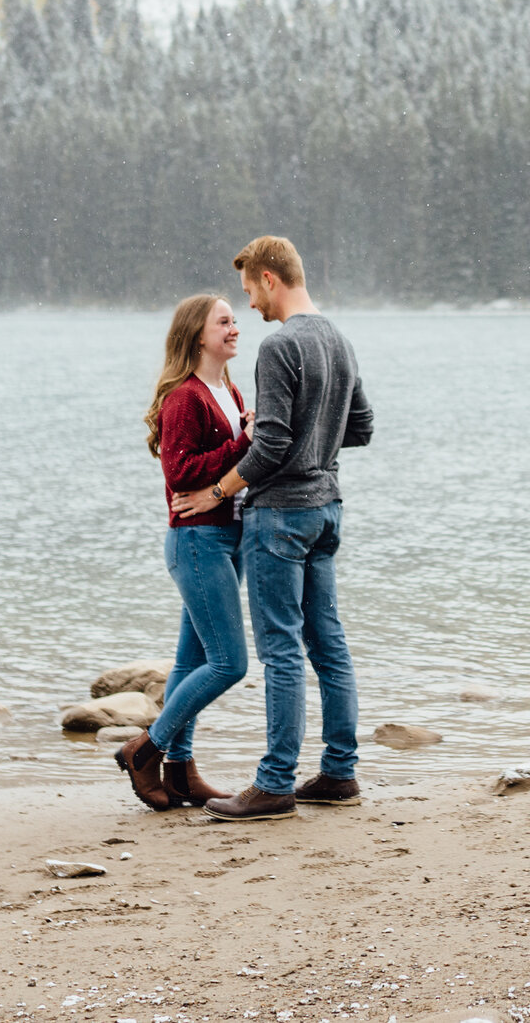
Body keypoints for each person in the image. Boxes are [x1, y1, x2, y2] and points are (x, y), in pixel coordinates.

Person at [169, 235, 374, 821]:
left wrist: (216, 490)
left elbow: (272, 444)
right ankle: (339, 773)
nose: (250, 308)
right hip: (327, 509)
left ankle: (275, 783)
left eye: (249, 293)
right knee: (328, 644)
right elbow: (359, 428)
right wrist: (316, 439)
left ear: (267, 278)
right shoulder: (339, 338)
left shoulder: (281, 346)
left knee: (281, 649)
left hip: (281, 515)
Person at [119, 293, 256, 810]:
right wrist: (242, 442)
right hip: (197, 541)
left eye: (235, 320)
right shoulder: (186, 397)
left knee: (190, 661)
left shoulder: (228, 388)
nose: (235, 327)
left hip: (226, 538)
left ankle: (179, 770)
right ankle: (144, 748)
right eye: (224, 321)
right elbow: (181, 474)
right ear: (198, 334)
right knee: (228, 663)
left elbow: (229, 465)